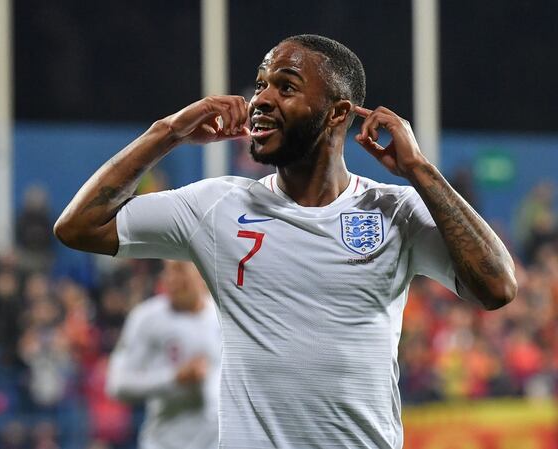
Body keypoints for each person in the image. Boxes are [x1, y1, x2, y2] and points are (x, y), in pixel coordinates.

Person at [54, 34, 517, 448]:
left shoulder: (394, 210)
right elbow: (78, 227)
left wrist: (420, 170)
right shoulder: (218, 206)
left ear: (338, 113)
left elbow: (497, 288)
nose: (261, 99)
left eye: (286, 87)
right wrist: (168, 131)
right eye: (261, 85)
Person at [106, 260, 221, 449]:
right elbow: (117, 385)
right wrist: (175, 378)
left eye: (179, 270)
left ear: (202, 273)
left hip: (214, 443)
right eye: (167, 271)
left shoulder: (222, 317)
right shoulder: (146, 318)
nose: (171, 278)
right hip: (163, 442)